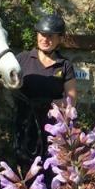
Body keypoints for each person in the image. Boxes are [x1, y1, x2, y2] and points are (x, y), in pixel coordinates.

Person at [14, 12, 77, 164]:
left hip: (52, 127)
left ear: (60, 39)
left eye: (50, 36)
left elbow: (71, 100)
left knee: (51, 169)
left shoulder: (64, 65)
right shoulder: (22, 59)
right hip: (25, 125)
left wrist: (50, 104)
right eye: (42, 34)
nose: (45, 39)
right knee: (25, 169)